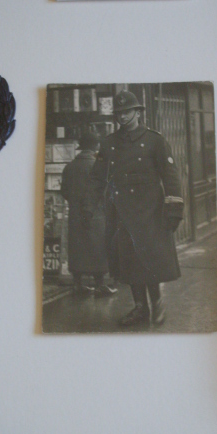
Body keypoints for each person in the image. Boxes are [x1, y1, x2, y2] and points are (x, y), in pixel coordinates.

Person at [82, 90, 183, 325]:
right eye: (118, 113)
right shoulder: (109, 144)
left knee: (150, 260)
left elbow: (171, 177)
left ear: (137, 112)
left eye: (127, 112)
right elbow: (97, 178)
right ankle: (140, 308)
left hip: (151, 212)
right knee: (128, 263)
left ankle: (157, 303)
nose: (122, 117)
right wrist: (87, 207)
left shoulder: (155, 140)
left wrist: (174, 209)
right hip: (122, 214)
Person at [60, 132, 117, 297]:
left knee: (77, 248)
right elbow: (107, 192)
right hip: (96, 214)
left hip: (76, 215)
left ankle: (77, 284)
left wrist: (75, 203)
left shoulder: (69, 167)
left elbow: (64, 191)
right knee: (97, 248)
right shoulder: (99, 166)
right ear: (96, 147)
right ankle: (100, 285)